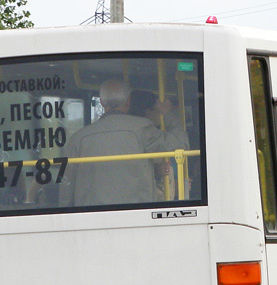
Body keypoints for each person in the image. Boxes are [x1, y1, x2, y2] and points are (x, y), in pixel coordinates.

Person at [60, 79, 184, 208]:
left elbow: (66, 186)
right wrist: (167, 112)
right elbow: (180, 143)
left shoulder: (78, 138)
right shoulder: (143, 129)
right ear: (128, 101)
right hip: (137, 214)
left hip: (91, 217)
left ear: (101, 102)